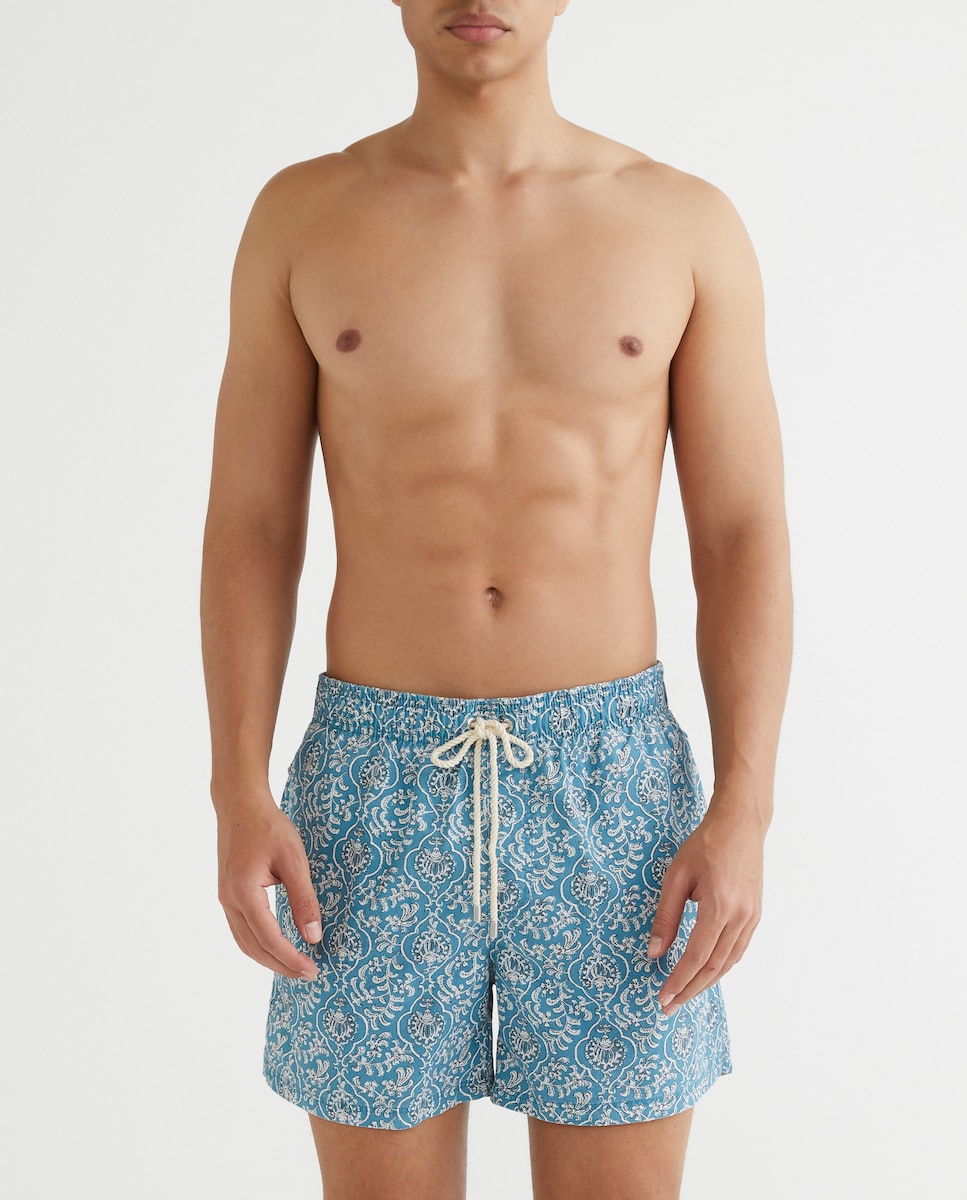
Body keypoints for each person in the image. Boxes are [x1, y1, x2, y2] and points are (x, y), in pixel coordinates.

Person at [200, 2, 793, 1197]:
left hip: (611, 792)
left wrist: (744, 806)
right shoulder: (304, 217)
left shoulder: (680, 224)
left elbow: (738, 535)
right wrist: (236, 788)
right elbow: (253, 527)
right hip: (372, 787)